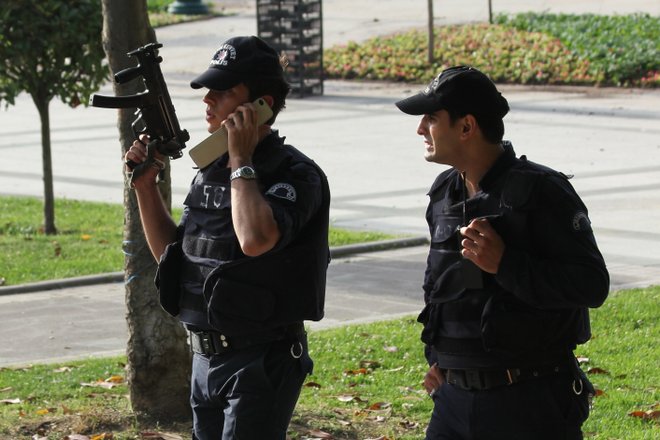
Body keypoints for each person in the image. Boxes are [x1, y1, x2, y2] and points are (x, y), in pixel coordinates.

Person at [125, 35, 330, 439]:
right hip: (204, 357)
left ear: (262, 104)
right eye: (208, 91)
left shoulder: (295, 174)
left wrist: (240, 159)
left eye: (222, 91)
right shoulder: (211, 170)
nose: (208, 101)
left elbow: (255, 240)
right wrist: (146, 189)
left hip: (260, 358)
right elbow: (176, 254)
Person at [395, 66, 609, 440]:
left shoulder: (543, 191)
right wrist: (438, 359)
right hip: (452, 402)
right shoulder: (445, 192)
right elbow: (440, 288)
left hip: (528, 401)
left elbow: (592, 285)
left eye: (431, 118)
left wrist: (505, 264)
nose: (419, 130)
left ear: (466, 127)